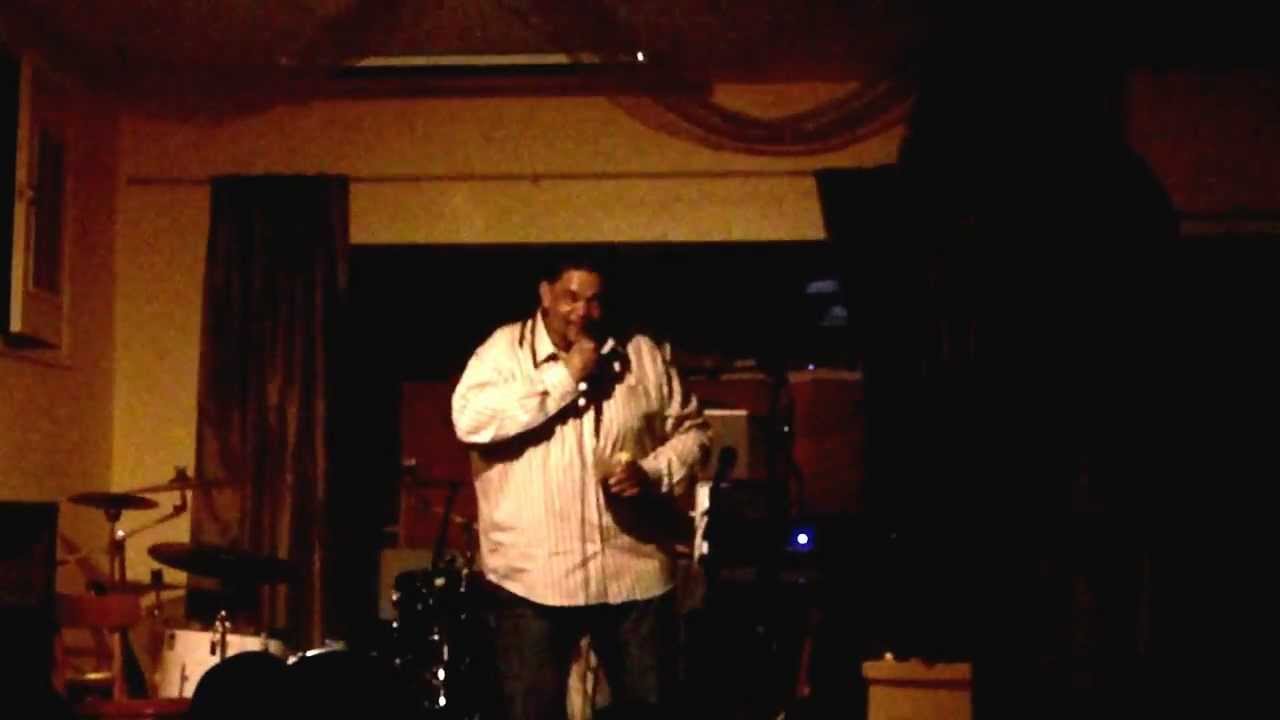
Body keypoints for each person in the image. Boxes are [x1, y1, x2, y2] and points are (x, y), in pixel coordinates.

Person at [451, 252, 712, 720]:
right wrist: (566, 375)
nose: (583, 313)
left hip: (631, 571)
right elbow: (470, 420)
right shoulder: (503, 352)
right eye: (571, 298)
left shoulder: (642, 353)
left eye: (594, 301)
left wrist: (651, 473)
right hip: (534, 578)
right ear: (545, 294)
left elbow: (694, 434)